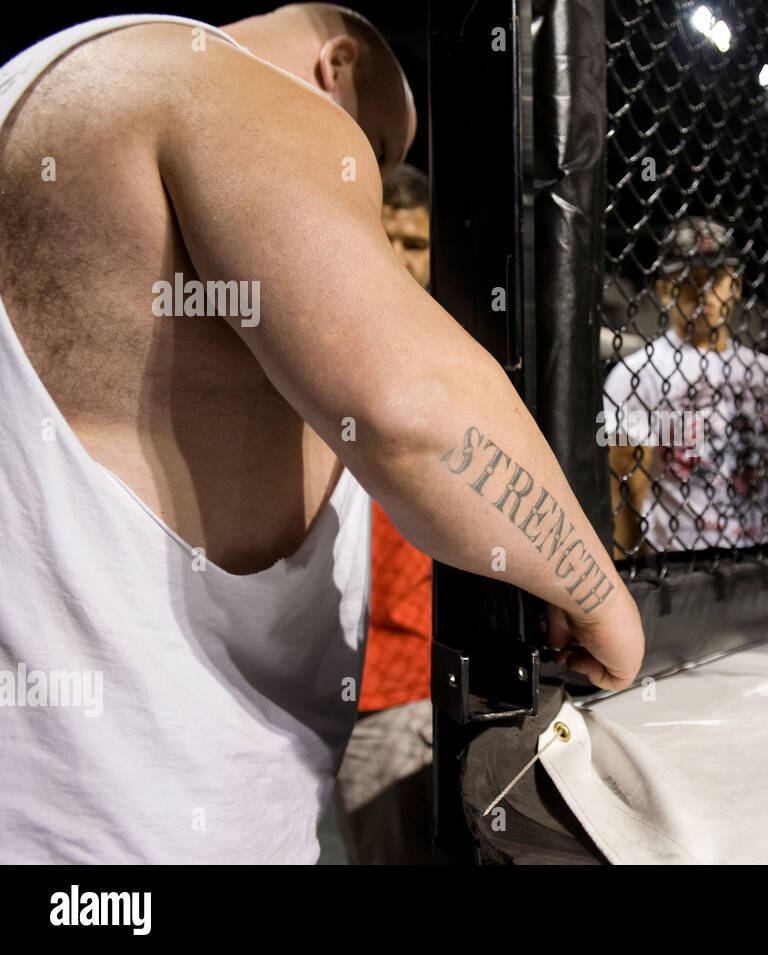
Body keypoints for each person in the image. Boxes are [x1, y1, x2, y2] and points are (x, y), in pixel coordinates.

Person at [0, 6, 643, 864]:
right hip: (159, 820)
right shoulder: (231, 86)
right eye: (375, 155)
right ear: (336, 67)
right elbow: (409, 411)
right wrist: (602, 600)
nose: (367, 191)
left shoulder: (34, 93)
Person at [333, 164, 436, 865]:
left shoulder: (459, 364)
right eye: (386, 239)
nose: (400, 260)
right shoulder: (310, 350)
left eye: (416, 243)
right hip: (314, 674)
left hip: (408, 684)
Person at [603, 217, 768, 555]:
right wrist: (627, 567)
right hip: (679, 559)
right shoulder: (637, 373)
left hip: (758, 551)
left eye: (715, 277)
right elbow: (626, 483)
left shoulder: (762, 372)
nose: (704, 289)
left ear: (735, 286)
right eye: (689, 278)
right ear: (666, 290)